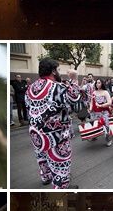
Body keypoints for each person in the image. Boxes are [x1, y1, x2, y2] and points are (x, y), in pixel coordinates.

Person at [26, 58, 80, 189]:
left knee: (42, 157)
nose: (60, 73)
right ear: (53, 71)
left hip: (36, 133)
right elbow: (74, 97)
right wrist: (74, 78)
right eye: (59, 70)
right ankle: (61, 187)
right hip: (56, 135)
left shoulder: (30, 88)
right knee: (60, 163)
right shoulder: (57, 87)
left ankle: (45, 176)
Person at [90, 79, 113, 147]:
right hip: (95, 112)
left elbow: (109, 103)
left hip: (104, 112)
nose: (97, 84)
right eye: (96, 83)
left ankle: (109, 139)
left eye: (99, 83)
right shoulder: (94, 92)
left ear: (102, 84)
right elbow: (92, 102)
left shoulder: (105, 92)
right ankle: (94, 136)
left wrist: (101, 105)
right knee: (94, 124)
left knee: (106, 126)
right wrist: (90, 109)